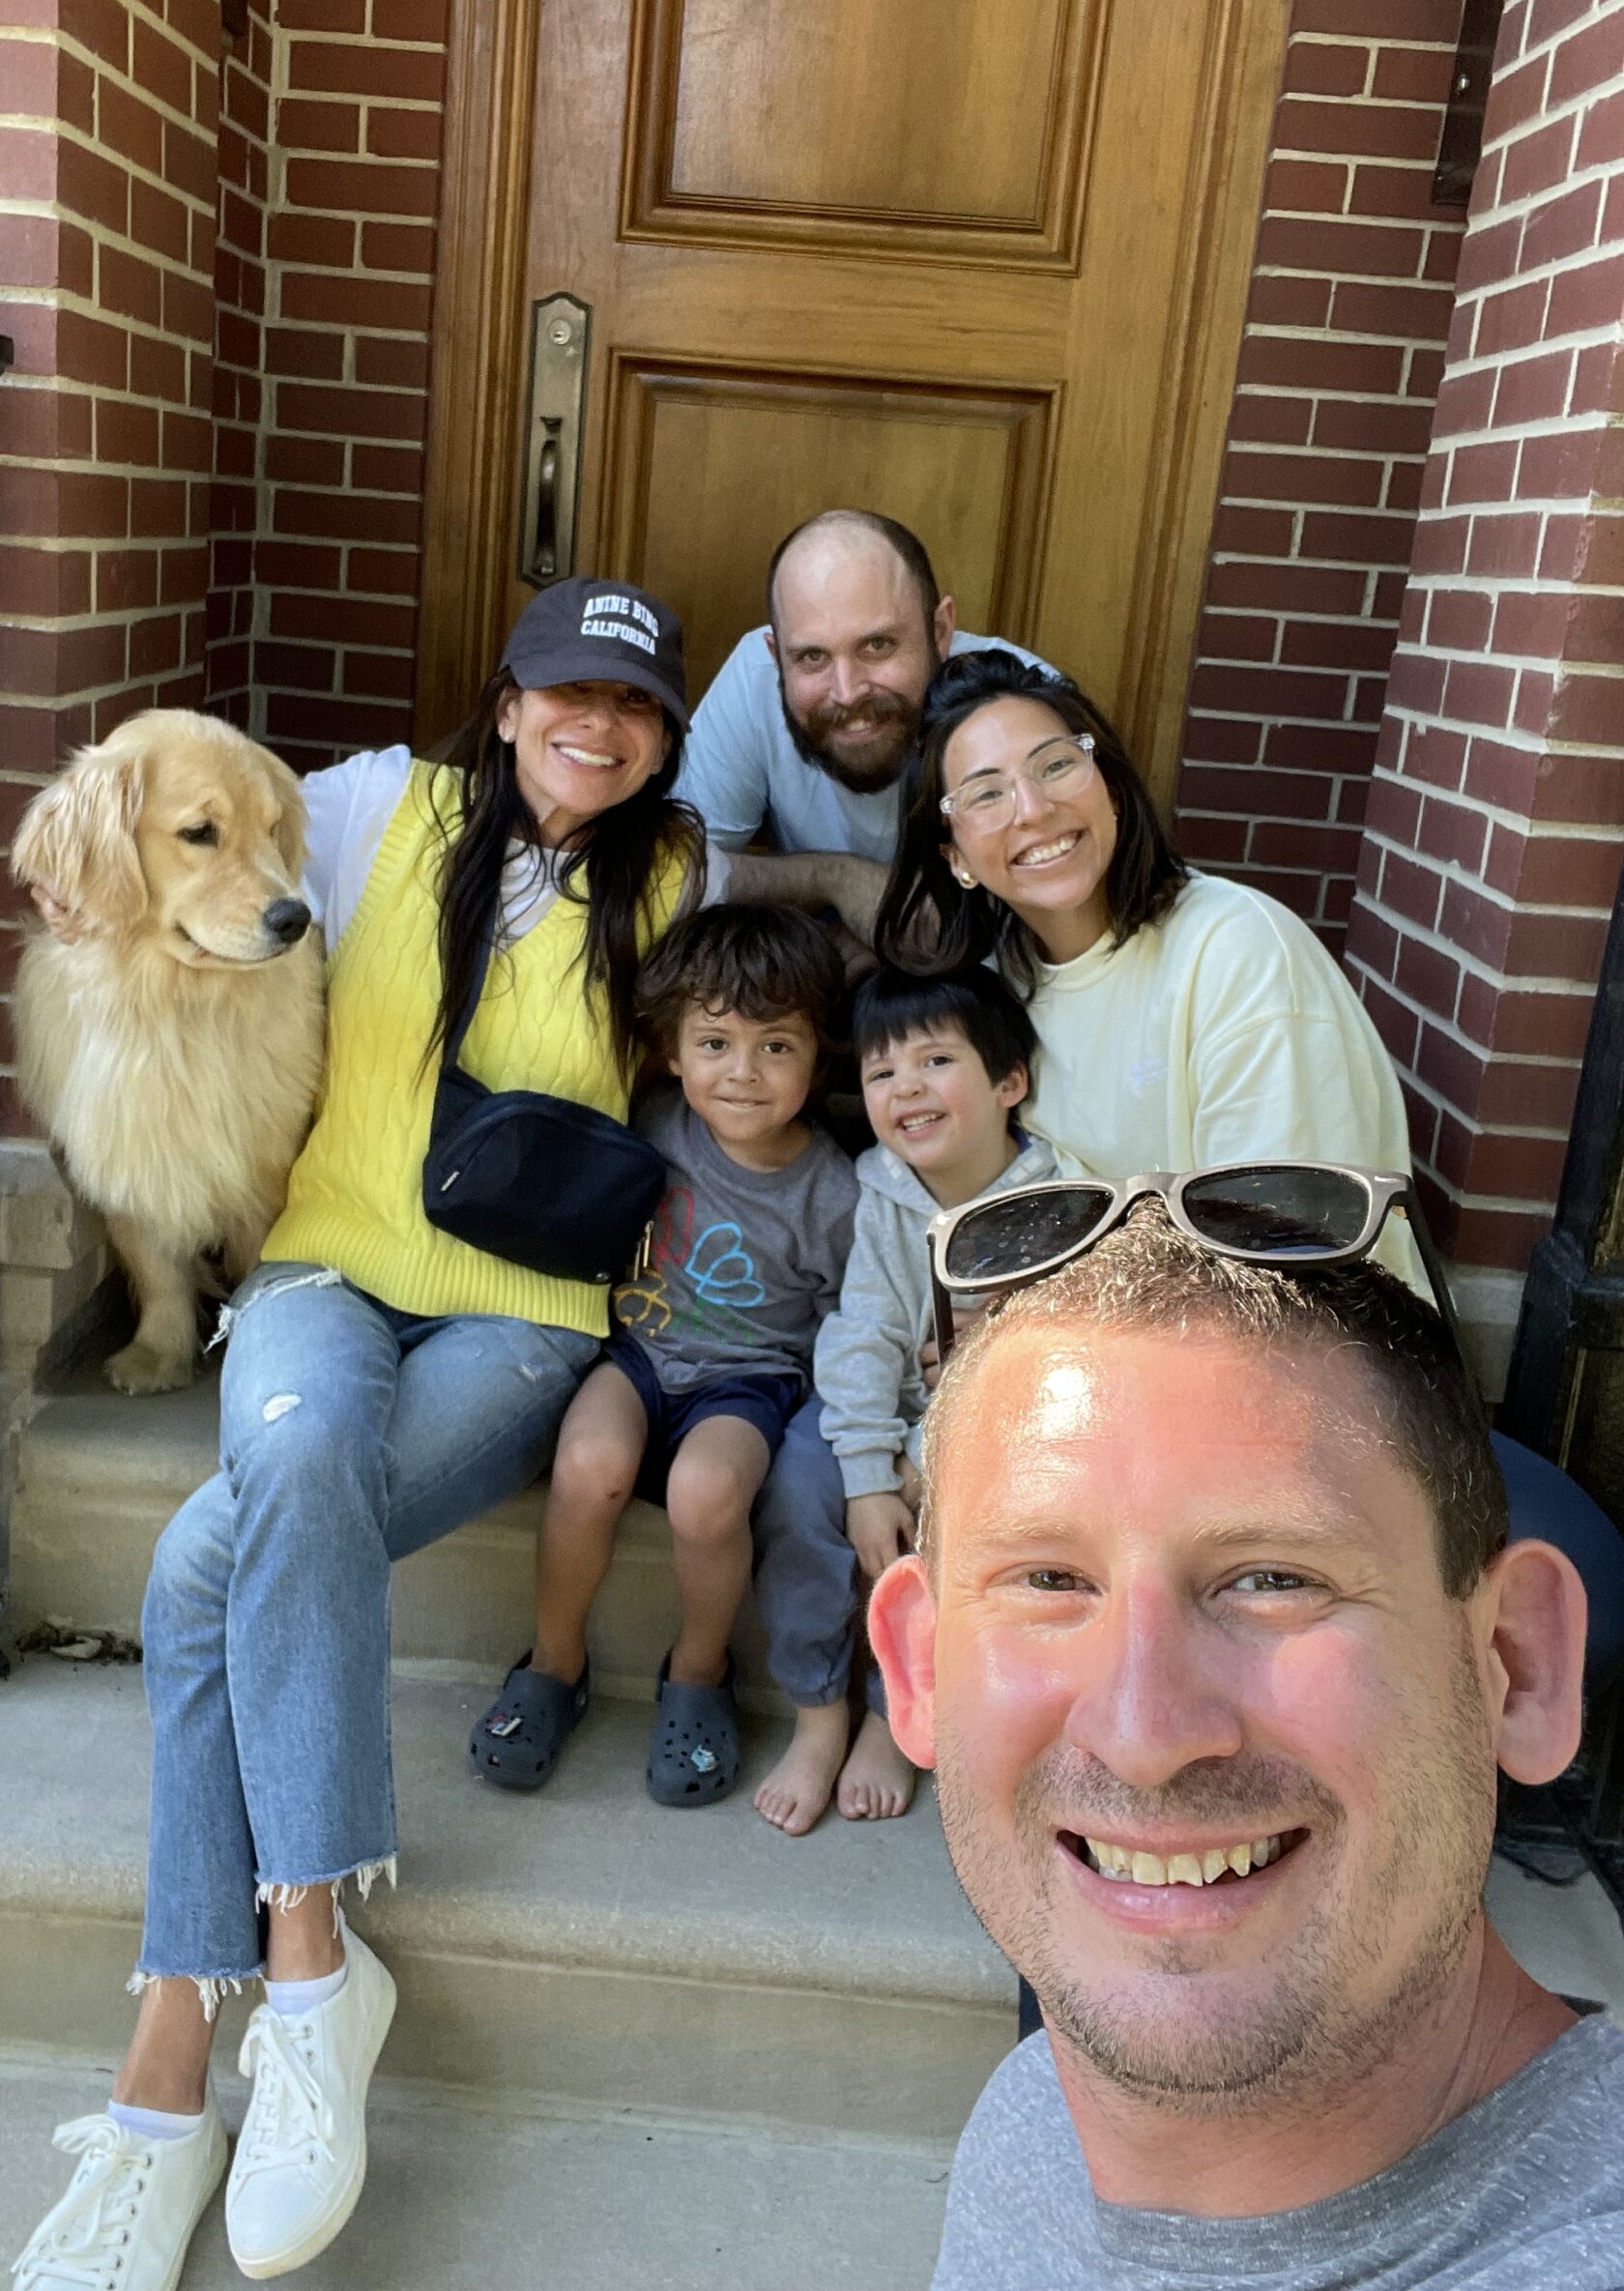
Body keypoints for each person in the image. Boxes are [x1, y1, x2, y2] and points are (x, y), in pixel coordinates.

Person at [12, 578, 712, 2291]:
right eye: (568, 691)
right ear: (508, 699)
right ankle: (311, 1973)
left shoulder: (683, 872)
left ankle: (167, 2075)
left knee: (204, 1561)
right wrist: (75, 866)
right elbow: (186, 827)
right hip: (322, 1268)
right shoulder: (380, 807)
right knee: (299, 1455)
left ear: (665, 738)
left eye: (634, 706)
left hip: (522, 1316)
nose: (596, 727)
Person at [868, 1191, 1619, 2289]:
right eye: (1050, 1580)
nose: (1144, 1735)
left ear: (1518, 1662)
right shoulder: (1029, 2124)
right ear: (922, 1671)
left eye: (1273, 1578)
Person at [469, 905, 857, 1808]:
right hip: (640, 1357)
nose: (743, 1073)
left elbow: (847, 1322)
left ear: (818, 1058)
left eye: (776, 1047)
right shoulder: (650, 1126)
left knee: (707, 1492)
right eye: (715, 1044)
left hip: (747, 1384)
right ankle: (555, 1664)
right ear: (674, 1053)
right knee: (587, 1464)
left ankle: (698, 1671)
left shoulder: (834, 1192)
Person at [875, 651, 1424, 1286]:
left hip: (1299, 1328)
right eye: (986, 793)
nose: (1032, 808)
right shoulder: (1000, 989)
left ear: (1108, 786)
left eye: (1056, 765)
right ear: (956, 858)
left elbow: (1287, 1262)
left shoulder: (1236, 951)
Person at [753, 965, 1061, 1835]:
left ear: (1009, 1083)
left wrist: (918, 1463)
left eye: (936, 1062)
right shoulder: (884, 1187)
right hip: (876, 1407)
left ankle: (897, 1715)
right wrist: (864, 1474)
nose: (907, 1088)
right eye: (882, 1072)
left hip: (986, 1424)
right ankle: (820, 1711)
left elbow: (1023, 1374)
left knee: (955, 1515)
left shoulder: (1052, 1203)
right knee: (797, 1489)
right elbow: (864, 1330)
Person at [680, 508, 1052, 939]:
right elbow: (677, 870)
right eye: (812, 657)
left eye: (877, 645)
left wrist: (904, 943)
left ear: (940, 631)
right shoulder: (754, 680)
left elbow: (1076, 885)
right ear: (775, 656)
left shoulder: (1024, 701)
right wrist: (833, 878)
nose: (847, 692)